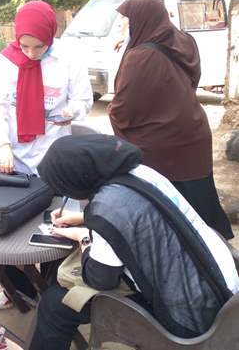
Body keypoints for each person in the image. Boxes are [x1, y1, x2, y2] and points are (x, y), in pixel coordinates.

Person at [30, 134, 239, 350]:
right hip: (226, 290)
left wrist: (82, 236)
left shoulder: (107, 208)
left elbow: (100, 279)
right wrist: (84, 218)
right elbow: (147, 213)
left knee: (54, 304)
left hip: (190, 321)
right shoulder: (143, 172)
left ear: (77, 182)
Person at [0, 0, 93, 309]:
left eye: (39, 46)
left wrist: (70, 112)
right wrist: (2, 144)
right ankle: (20, 288)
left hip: (53, 154)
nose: (32, 53)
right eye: (25, 46)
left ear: (51, 36)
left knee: (56, 225)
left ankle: (52, 286)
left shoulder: (69, 58)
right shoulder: (8, 61)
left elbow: (85, 100)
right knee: (10, 226)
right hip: (16, 157)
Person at [108, 0, 233, 239]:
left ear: (141, 20)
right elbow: (192, 80)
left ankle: (188, 252)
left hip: (162, 146)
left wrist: (114, 113)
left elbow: (123, 109)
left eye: (126, 19)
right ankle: (215, 250)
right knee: (199, 203)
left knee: (172, 213)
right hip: (193, 131)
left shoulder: (140, 56)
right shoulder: (184, 40)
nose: (123, 25)